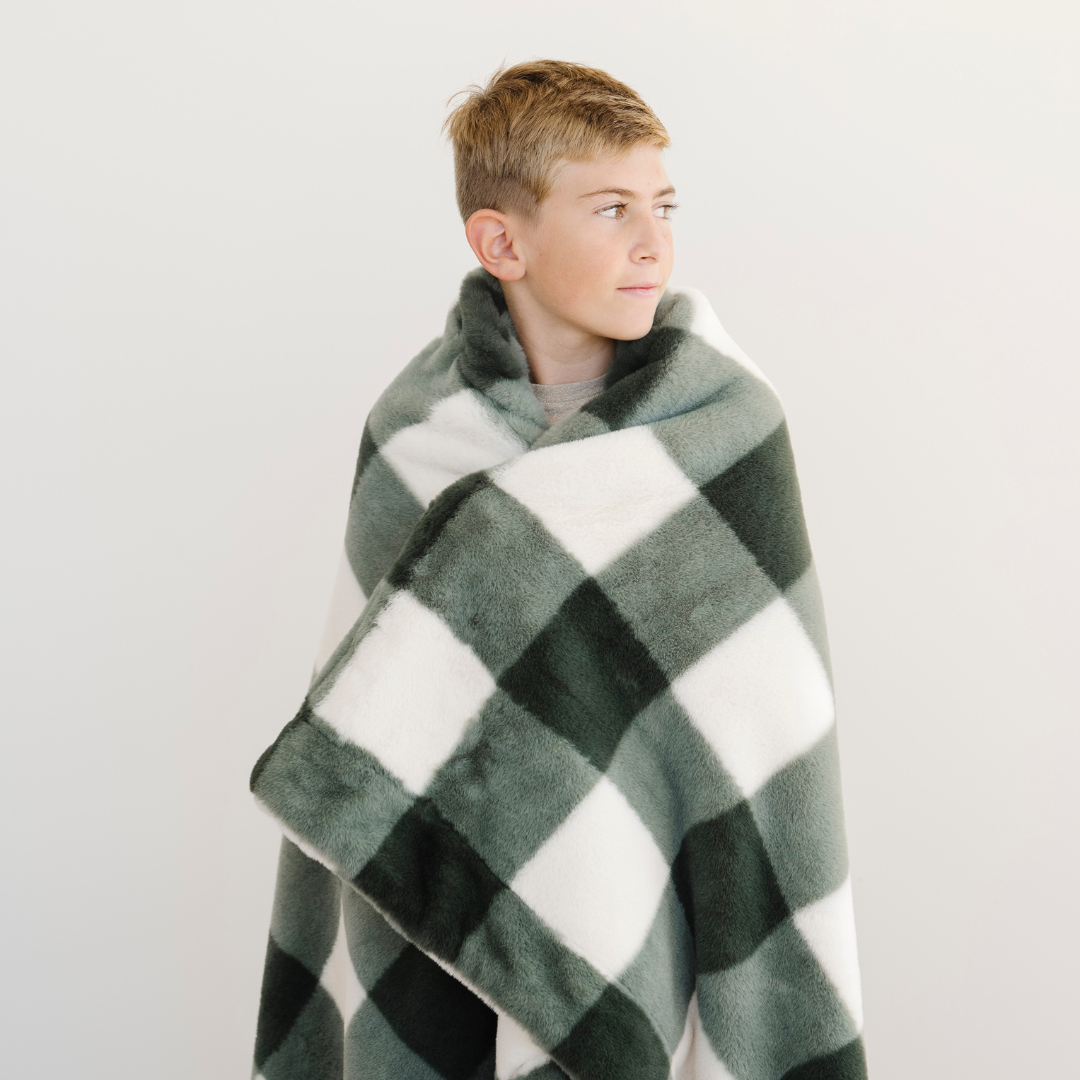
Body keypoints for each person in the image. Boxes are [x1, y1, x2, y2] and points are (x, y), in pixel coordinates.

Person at [250, 60, 867, 1080]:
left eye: (664, 206)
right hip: (441, 918)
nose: (654, 242)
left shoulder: (727, 433)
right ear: (503, 242)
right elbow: (369, 733)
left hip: (646, 906)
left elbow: (768, 740)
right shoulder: (418, 440)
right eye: (613, 208)